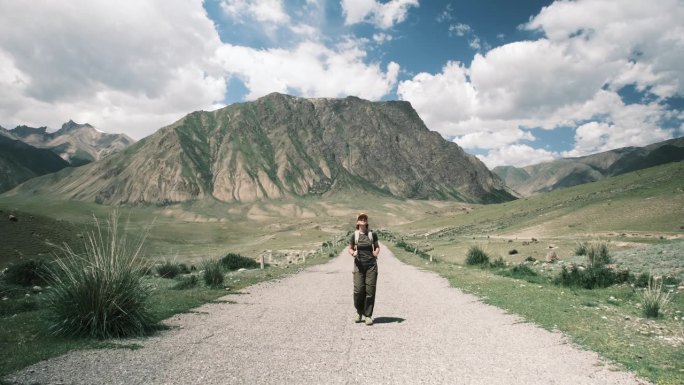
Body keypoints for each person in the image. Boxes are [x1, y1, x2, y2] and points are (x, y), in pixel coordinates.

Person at [348, 212, 380, 325]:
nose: (363, 219)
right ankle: (358, 311)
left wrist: (376, 253)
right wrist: (353, 253)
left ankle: (368, 315)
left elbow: (377, 247)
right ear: (357, 222)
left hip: (371, 265)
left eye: (364, 218)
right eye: (360, 218)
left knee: (370, 291)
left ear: (367, 221)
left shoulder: (372, 234)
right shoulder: (355, 235)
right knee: (358, 290)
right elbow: (350, 249)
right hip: (358, 266)